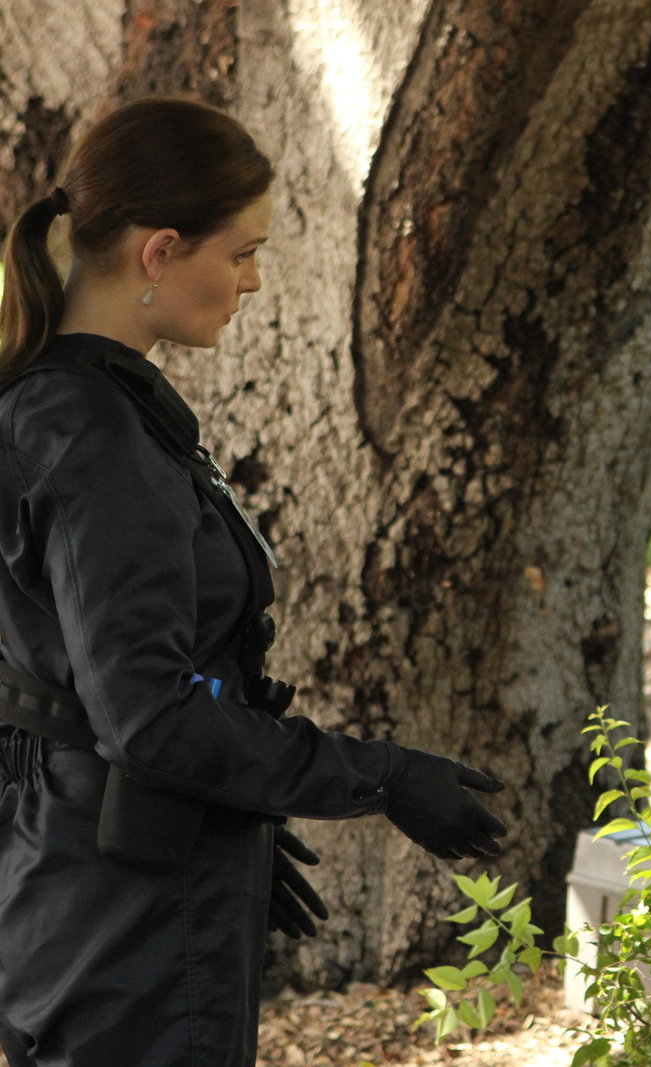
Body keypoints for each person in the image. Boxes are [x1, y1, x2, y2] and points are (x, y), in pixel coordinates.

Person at [0, 97, 508, 1066]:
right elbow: (147, 717)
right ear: (159, 251)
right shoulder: (92, 434)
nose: (253, 280)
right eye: (240, 252)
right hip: (123, 915)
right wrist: (382, 776)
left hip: (78, 879)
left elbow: (64, 684)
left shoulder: (66, 406)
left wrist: (235, 814)